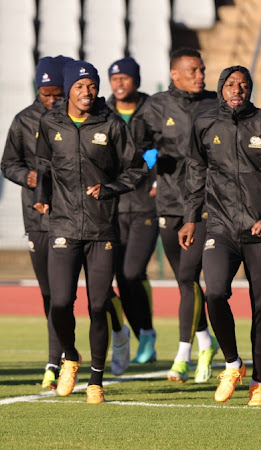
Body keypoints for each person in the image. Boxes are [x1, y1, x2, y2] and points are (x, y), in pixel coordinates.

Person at [179, 66, 261, 405]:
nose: (237, 89)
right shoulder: (205, 124)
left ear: (250, 89)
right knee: (215, 293)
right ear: (221, 88)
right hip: (220, 227)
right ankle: (233, 364)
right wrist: (190, 218)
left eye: (244, 84)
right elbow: (195, 172)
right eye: (231, 84)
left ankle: (258, 382)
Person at [33, 60, 146, 403]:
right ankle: (70, 356)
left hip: (102, 229)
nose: (87, 92)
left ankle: (96, 379)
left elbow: (137, 169)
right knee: (60, 303)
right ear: (68, 89)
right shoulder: (50, 122)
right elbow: (44, 165)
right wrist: (42, 197)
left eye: (92, 86)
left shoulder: (111, 123)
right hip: (63, 225)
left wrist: (110, 189)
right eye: (80, 86)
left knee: (99, 305)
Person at [134, 48, 220, 383]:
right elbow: (137, 149)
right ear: (174, 74)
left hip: (204, 207)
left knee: (188, 275)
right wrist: (152, 163)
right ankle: (206, 343)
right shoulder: (155, 107)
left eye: (202, 69)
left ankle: (183, 356)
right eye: (193, 70)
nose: (200, 76)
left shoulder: (215, 103)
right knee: (186, 283)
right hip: (169, 205)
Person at [1, 55, 71, 390]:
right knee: (48, 292)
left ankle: (57, 360)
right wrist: (25, 176)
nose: (52, 100)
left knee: (65, 294)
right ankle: (62, 354)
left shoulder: (76, 120)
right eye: (47, 94)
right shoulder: (23, 120)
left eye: (58, 94)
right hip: (36, 218)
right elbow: (7, 163)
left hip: (71, 217)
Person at [107, 57, 160, 365]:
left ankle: (147, 332)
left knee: (132, 272)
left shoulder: (152, 109)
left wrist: (156, 177)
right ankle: (144, 336)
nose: (119, 83)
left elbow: (166, 146)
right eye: (114, 79)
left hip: (145, 206)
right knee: (120, 277)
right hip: (113, 207)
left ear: (136, 81)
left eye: (124, 78)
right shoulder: (104, 112)